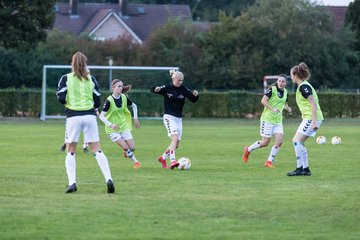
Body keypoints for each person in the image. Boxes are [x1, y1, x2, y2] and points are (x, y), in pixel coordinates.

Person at [56, 51, 115, 193]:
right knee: (97, 149)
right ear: (85, 63)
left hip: (73, 117)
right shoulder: (91, 79)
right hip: (90, 117)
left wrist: (70, 101)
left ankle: (72, 183)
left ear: (72, 63)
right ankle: (109, 179)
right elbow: (97, 101)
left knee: (70, 151)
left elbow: (61, 97)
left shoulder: (66, 78)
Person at [151, 69, 199, 169]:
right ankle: (173, 161)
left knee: (176, 144)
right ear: (173, 79)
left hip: (178, 119)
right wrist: (156, 89)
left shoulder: (184, 89)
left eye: (182, 80)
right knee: (175, 138)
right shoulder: (167, 88)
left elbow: (193, 100)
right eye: (178, 80)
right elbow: (153, 89)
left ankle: (163, 158)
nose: (180, 82)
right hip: (169, 117)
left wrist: (196, 94)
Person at [242, 74, 292, 168]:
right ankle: (248, 150)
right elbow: (263, 101)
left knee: (279, 141)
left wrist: (288, 108)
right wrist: (272, 109)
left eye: (283, 81)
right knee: (265, 143)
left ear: (286, 83)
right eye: (279, 81)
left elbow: (284, 104)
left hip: (278, 121)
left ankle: (269, 161)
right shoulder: (272, 89)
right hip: (267, 120)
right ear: (277, 81)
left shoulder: (285, 92)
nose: (281, 83)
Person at [287, 62, 324, 176]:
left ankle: (300, 168)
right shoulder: (302, 86)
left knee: (296, 141)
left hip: (311, 118)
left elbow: (313, 103)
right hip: (310, 118)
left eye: (291, 75)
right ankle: (305, 169)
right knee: (299, 142)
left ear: (296, 75)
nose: (291, 77)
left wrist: (313, 121)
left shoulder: (304, 86)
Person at [98, 79, 141, 169]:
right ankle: (136, 162)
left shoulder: (124, 97)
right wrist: (111, 125)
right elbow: (101, 116)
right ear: (113, 88)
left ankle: (126, 152)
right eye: (118, 86)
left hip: (123, 126)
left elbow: (134, 106)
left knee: (132, 148)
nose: (120, 88)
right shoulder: (109, 101)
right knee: (125, 146)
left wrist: (135, 118)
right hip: (112, 129)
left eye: (121, 86)